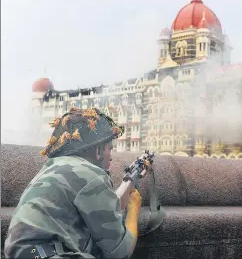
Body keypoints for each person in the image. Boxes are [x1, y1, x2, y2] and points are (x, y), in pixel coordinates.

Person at [4, 107, 141, 259]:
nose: (111, 157)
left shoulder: (51, 167)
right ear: (98, 151)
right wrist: (134, 208)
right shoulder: (91, 174)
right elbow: (121, 252)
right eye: (110, 149)